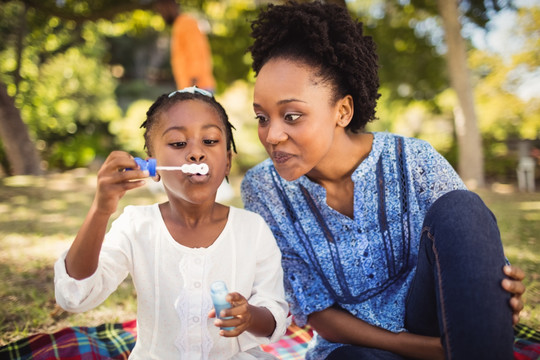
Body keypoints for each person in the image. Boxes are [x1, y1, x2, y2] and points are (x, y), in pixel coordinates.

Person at [240, 2, 526, 359]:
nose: (272, 135)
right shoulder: (263, 189)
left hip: (431, 317)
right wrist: (433, 351)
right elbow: (316, 311)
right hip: (356, 346)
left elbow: (467, 242)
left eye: (292, 115)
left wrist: (492, 293)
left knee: (461, 207)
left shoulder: (414, 160)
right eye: (262, 117)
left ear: (342, 111)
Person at [54, 86, 289, 359]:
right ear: (152, 167)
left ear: (226, 162)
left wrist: (249, 316)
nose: (196, 153)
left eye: (210, 141)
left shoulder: (252, 229)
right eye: (178, 143)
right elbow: (75, 295)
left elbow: (274, 313)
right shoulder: (136, 225)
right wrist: (100, 210)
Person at [154, 0, 216, 92]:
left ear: (170, 6)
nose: (161, 15)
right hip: (190, 88)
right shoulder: (179, 25)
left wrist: (192, 86)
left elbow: (196, 51)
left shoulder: (186, 23)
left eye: (161, 10)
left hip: (198, 87)